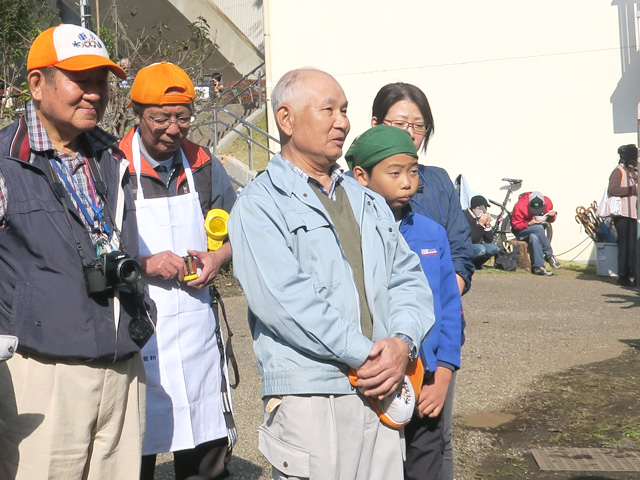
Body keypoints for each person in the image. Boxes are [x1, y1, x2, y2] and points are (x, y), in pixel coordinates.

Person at [228, 68, 434, 480]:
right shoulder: (259, 205)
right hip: (312, 394)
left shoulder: (365, 199)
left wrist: (402, 344)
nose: (343, 121)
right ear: (286, 119)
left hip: (382, 389)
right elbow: (285, 302)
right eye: (329, 110)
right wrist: (369, 355)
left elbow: (409, 278)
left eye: (345, 110)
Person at [0, 24, 155, 479]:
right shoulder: (6, 160)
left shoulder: (111, 155)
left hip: (123, 367)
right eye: (79, 80)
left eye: (101, 82)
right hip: (44, 374)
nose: (94, 94)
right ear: (36, 85)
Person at [118, 62, 237, 480]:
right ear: (137, 114)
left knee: (205, 442)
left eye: (183, 117)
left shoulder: (203, 164)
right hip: (139, 326)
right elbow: (96, 245)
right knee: (136, 446)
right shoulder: (114, 166)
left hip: (197, 324)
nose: (173, 128)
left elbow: (239, 228)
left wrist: (218, 258)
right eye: (160, 118)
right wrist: (144, 262)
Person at [347, 125, 462, 480]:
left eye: (412, 171)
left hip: (425, 380)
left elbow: (449, 308)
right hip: (372, 381)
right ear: (361, 176)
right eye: (394, 173)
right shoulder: (350, 232)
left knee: (424, 463)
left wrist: (443, 373)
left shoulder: (432, 233)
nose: (407, 182)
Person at [370, 81, 470, 479]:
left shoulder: (438, 184)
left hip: (433, 347)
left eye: (419, 125)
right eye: (400, 123)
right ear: (375, 124)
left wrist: (445, 291)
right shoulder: (356, 196)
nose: (410, 133)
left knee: (434, 439)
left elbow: (459, 253)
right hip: (381, 352)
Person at [607, 144, 638, 287]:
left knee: (633, 246)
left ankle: (632, 272)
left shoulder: (634, 173)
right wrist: (632, 189)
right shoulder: (619, 171)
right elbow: (613, 189)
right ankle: (623, 275)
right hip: (622, 214)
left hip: (632, 214)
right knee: (624, 245)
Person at [510, 191, 561, 276]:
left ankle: (538, 267)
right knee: (538, 228)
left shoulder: (548, 202)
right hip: (521, 231)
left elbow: (549, 221)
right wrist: (529, 223)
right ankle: (549, 255)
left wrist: (552, 216)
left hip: (537, 231)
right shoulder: (520, 205)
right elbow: (515, 225)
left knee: (534, 237)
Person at [464, 195, 500, 268]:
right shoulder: (465, 216)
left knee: (494, 248)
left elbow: (489, 240)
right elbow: (473, 239)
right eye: (483, 208)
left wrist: (487, 225)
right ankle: (469, 264)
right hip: (466, 245)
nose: (485, 211)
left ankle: (477, 264)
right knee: (481, 249)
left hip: (478, 245)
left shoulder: (480, 217)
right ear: (475, 208)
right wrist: (480, 225)